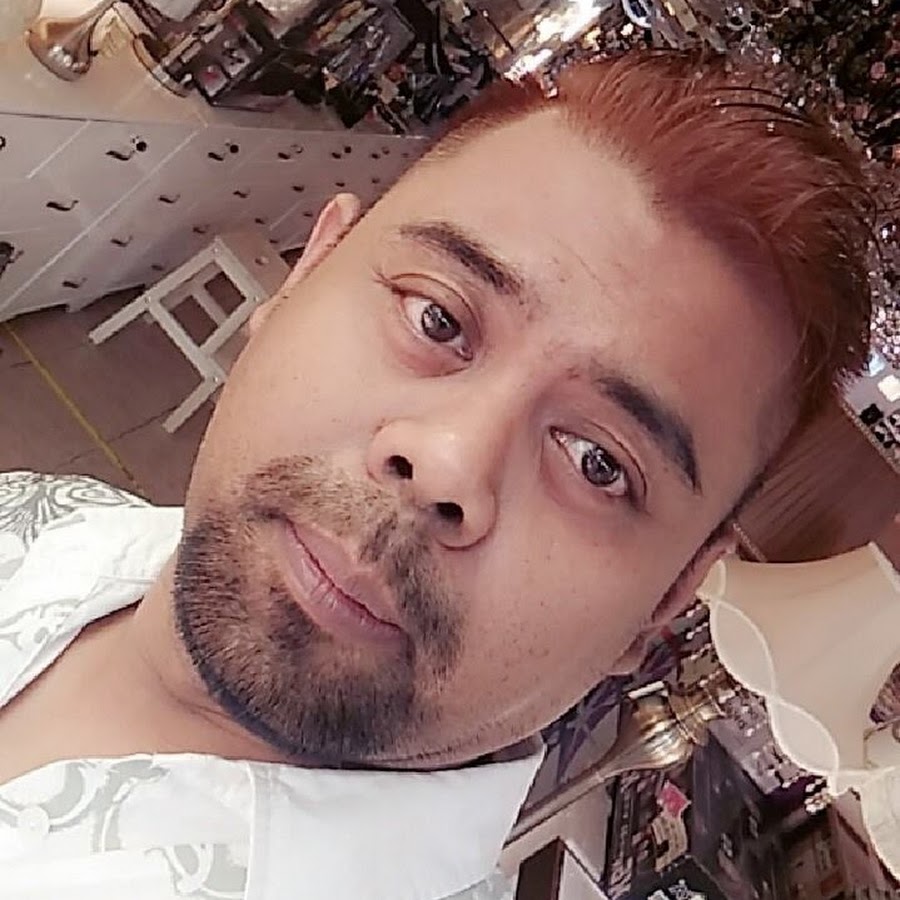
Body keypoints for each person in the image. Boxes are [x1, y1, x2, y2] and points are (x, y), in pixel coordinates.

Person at [0, 49, 873, 899]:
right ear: (305, 274)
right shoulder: (60, 519)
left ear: (668, 600)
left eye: (599, 462)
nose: (447, 462)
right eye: (436, 319)